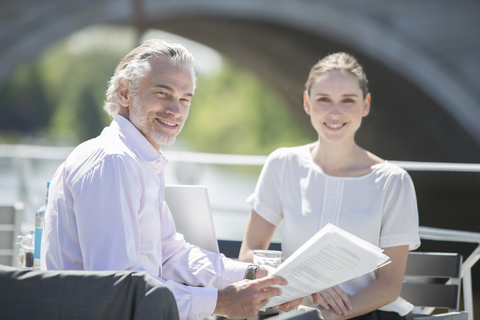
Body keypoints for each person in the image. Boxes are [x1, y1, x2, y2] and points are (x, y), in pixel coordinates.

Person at [41, 39, 303, 320]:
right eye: (163, 93)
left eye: (184, 99)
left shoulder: (140, 162)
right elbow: (117, 291)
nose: (175, 111)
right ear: (125, 93)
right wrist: (219, 302)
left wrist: (255, 275)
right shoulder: (113, 162)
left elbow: (171, 255)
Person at [239, 52, 421, 320]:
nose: (335, 112)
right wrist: (302, 289)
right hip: (294, 313)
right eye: (324, 99)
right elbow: (248, 254)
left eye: (348, 100)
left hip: (364, 315)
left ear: (365, 105)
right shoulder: (283, 164)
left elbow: (389, 285)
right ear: (307, 103)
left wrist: (330, 315)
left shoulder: (393, 181)